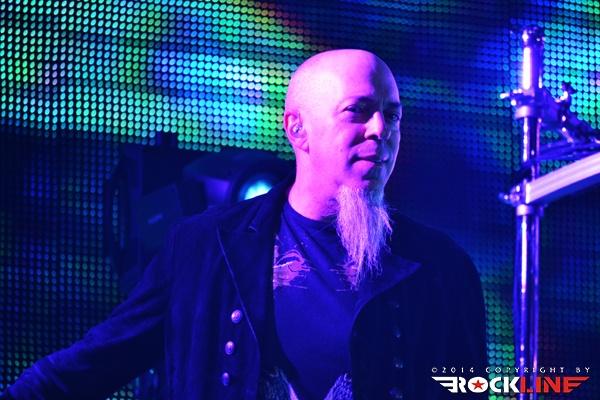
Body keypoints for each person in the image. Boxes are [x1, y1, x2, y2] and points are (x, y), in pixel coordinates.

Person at [2, 49, 486, 400]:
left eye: (392, 116)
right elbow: (100, 360)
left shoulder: (441, 267)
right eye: (357, 111)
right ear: (297, 129)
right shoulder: (205, 246)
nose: (380, 130)